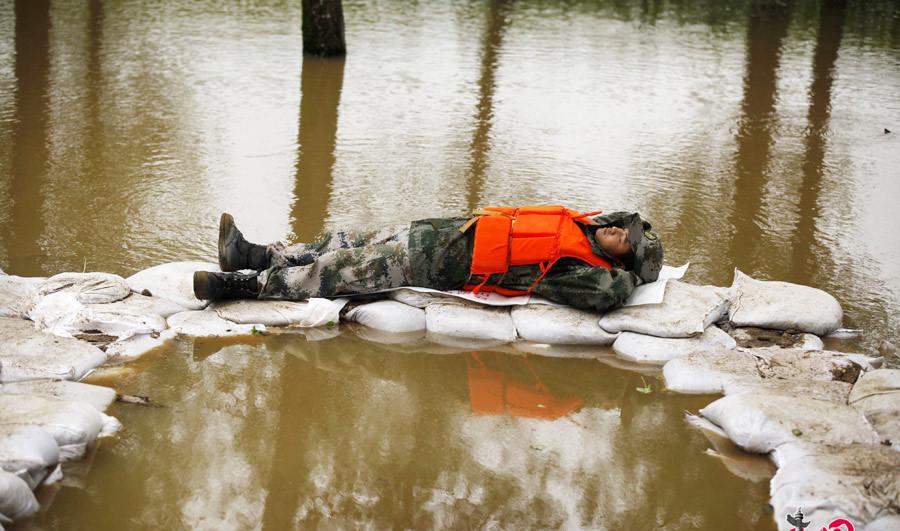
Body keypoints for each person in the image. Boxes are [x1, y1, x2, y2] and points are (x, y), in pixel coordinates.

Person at [193, 205, 663, 312]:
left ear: (623, 263)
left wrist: (631, 276)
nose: (620, 230)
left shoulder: (587, 272)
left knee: (334, 272)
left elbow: (608, 296)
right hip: (436, 231)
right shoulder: (582, 226)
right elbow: (615, 218)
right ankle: (251, 254)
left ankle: (240, 287)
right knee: (338, 240)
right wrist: (618, 234)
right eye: (626, 226)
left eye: (628, 240)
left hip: (437, 265)